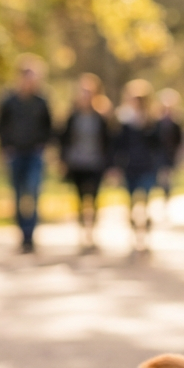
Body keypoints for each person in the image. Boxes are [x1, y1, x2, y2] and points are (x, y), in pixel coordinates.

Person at [0, 54, 52, 253]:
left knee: (33, 191)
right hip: (15, 153)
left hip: (34, 155)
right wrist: (4, 147)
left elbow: (49, 127)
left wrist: (44, 146)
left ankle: (31, 235)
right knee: (18, 195)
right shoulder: (9, 101)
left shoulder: (41, 101)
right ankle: (23, 235)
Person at [57, 73, 115, 252]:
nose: (85, 95)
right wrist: (62, 161)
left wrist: (110, 165)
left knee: (94, 199)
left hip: (95, 163)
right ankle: (83, 234)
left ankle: (92, 234)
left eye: (89, 92)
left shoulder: (101, 117)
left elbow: (109, 142)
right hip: (77, 163)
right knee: (80, 200)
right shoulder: (72, 116)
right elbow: (63, 139)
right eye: (83, 91)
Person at [115, 80, 162, 252]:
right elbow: (118, 144)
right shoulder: (124, 120)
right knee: (132, 201)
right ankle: (135, 232)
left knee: (145, 199)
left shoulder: (151, 121)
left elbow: (158, 145)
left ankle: (145, 230)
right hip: (130, 166)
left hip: (147, 165)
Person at [155, 88, 184, 211]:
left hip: (171, 155)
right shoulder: (157, 122)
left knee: (169, 178)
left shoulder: (176, 124)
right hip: (160, 155)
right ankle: (163, 197)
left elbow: (180, 140)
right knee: (162, 178)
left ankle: (167, 198)